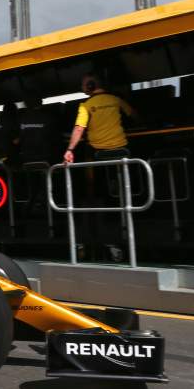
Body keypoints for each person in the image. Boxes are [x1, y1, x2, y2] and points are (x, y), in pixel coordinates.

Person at [63, 74, 136, 261]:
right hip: (123, 155)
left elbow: (79, 129)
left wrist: (70, 149)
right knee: (121, 195)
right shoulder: (115, 100)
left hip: (99, 158)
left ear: (88, 86)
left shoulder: (85, 106)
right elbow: (133, 115)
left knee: (101, 196)